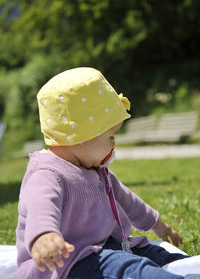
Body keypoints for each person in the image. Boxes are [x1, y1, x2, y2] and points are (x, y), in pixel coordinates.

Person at [16, 67, 199, 279]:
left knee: (154, 253)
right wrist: (43, 235)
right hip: (69, 263)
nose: (114, 145)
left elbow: (127, 200)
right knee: (130, 269)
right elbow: (41, 206)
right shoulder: (48, 173)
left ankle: (186, 268)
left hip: (105, 249)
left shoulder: (94, 168)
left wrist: (157, 225)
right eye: (111, 136)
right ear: (82, 135)